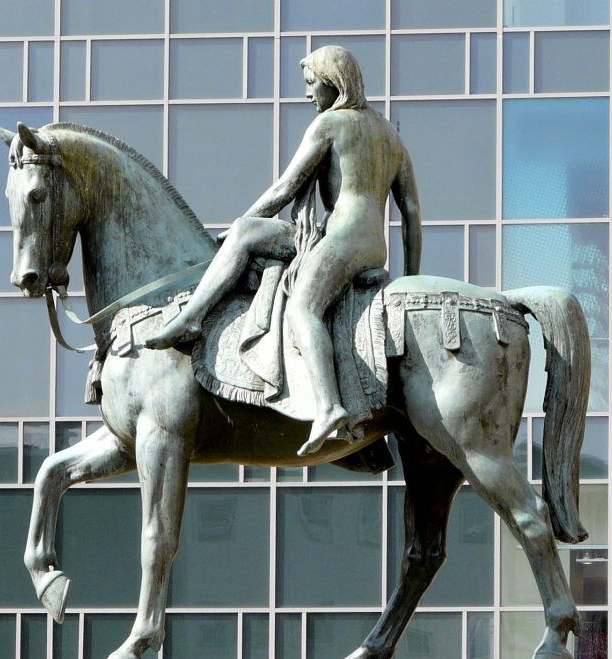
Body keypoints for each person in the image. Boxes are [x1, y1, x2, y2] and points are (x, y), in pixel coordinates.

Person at [145, 45, 421, 456]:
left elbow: (285, 188)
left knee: (302, 309)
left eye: (311, 84)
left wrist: (242, 222)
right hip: (371, 245)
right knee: (247, 235)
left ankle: (328, 406)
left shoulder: (330, 125)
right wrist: (410, 277)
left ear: (332, 83)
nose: (308, 94)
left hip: (340, 240)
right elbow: (412, 215)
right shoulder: (390, 135)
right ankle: (191, 317)